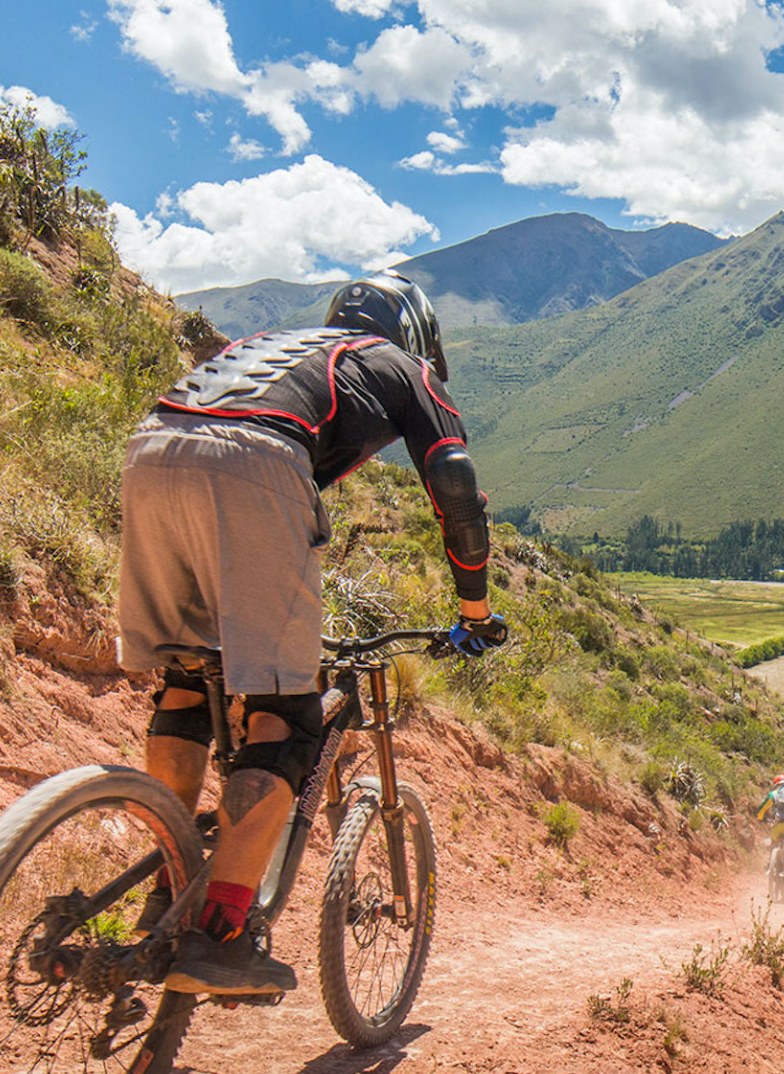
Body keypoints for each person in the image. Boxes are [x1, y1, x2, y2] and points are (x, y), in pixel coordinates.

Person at [117, 269, 507, 995]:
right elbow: (453, 480)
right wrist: (475, 611)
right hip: (255, 463)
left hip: (151, 452)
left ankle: (165, 887)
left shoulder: (269, 347)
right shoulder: (399, 364)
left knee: (184, 682)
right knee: (286, 719)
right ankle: (221, 934)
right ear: (415, 332)